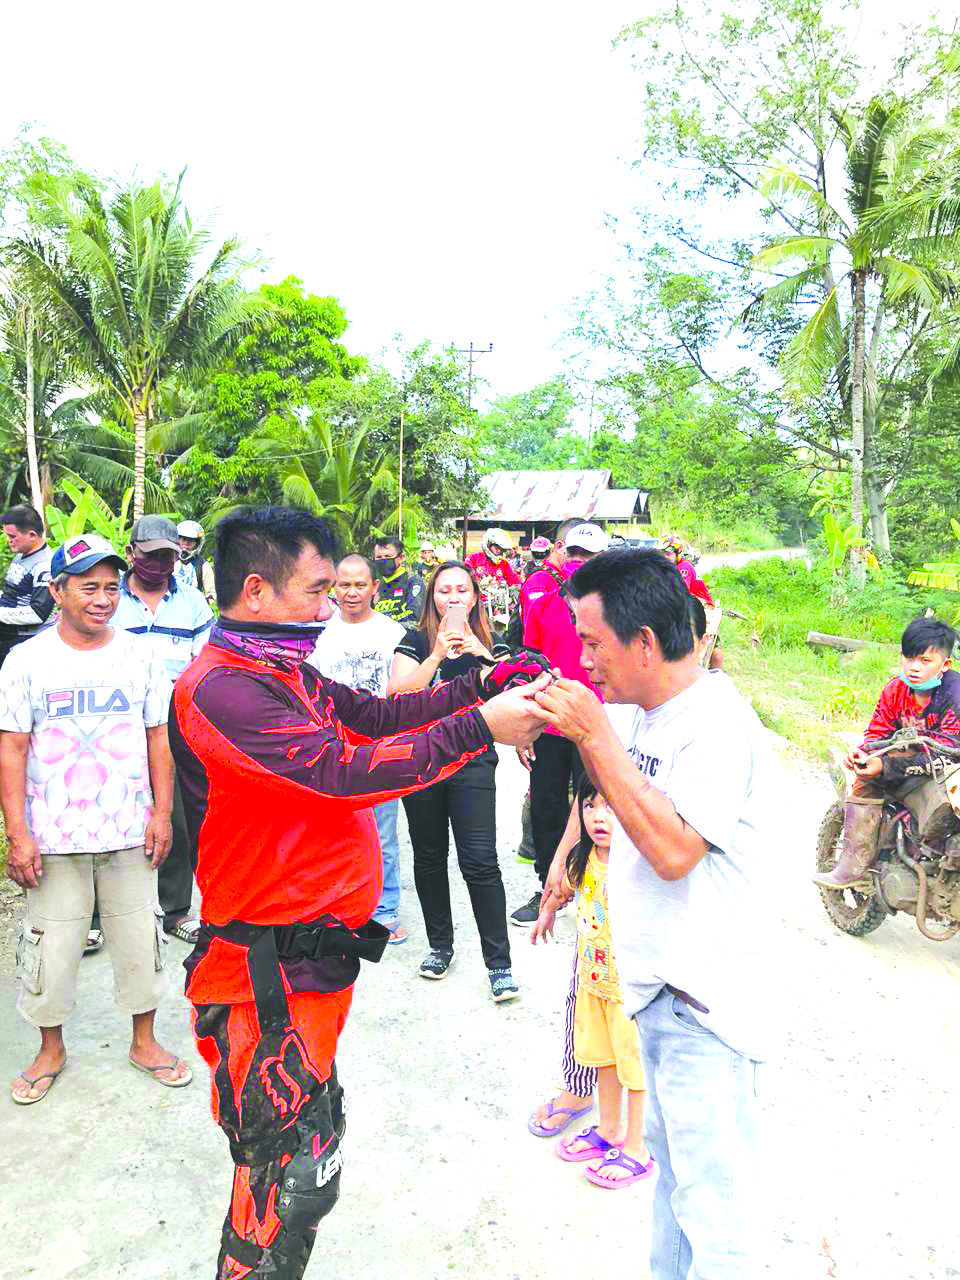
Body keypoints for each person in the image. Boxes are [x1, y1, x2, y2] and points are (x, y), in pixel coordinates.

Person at [170, 507, 549, 1280]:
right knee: (281, 1178)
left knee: (304, 1157)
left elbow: (373, 716)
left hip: (312, 962)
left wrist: (475, 682)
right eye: (314, 590)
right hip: (264, 972)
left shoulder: (281, 669)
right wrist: (481, 727)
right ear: (256, 590)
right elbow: (340, 771)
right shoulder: (222, 691)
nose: (327, 605)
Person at [532, 547, 776, 1279]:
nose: (582, 659)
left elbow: (672, 850)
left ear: (645, 642)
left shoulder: (716, 725)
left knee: (717, 1218)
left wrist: (594, 736)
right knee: (675, 1188)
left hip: (708, 1009)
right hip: (664, 998)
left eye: (592, 642)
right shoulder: (643, 710)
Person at [1, 532, 192, 1105]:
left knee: (139, 937)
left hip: (129, 831)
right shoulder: (26, 660)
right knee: (52, 945)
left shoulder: (140, 654)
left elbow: (158, 737)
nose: (103, 598)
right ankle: (51, 1047)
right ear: (58, 592)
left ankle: (144, 1041)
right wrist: (18, 834)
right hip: (54, 836)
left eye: (111, 587)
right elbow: (12, 747)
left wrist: (162, 814)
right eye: (88, 587)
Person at [388, 560, 518, 998]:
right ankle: (440, 946)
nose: (454, 598)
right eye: (444, 591)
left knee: (480, 861)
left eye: (462, 590)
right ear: (432, 599)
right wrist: (439, 652)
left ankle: (499, 964)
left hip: (473, 762)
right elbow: (399, 695)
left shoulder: (494, 645)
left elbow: (514, 691)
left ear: (476, 597)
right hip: (422, 762)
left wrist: (480, 651)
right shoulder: (413, 640)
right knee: (428, 856)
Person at [112, 514, 214, 942]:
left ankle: (174, 910)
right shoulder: (108, 598)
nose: (158, 565)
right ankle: (106, 918)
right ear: (132, 552)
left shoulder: (192, 602)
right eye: (151, 556)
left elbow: (204, 663)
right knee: (114, 811)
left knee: (177, 815)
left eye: (168, 557)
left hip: (176, 723)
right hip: (116, 721)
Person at [546, 781, 653, 1188]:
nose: (598, 817)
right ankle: (608, 1129)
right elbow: (563, 893)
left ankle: (637, 1148)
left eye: (610, 807)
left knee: (635, 1070)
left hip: (629, 993)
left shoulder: (636, 865)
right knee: (605, 1061)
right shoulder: (584, 858)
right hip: (593, 985)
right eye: (590, 806)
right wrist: (546, 913)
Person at [813, 617, 960, 890]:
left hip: (946, 771)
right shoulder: (895, 690)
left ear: (945, 665)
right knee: (864, 781)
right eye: (909, 657)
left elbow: (947, 753)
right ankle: (853, 865)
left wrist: (886, 764)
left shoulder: (955, 696)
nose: (914, 668)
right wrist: (864, 752)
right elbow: (878, 733)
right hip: (900, 762)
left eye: (926, 661)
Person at [511, 522, 609, 926]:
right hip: (550, 721)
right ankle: (547, 886)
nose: (579, 562)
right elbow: (531, 664)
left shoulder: (615, 606)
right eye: (574, 554)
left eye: (588, 557)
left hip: (596, 722)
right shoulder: (544, 602)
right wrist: (526, 725)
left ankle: (595, 886)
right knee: (547, 806)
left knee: (597, 806)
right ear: (563, 553)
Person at [307, 554, 408, 943]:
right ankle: (332, 907)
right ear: (334, 587)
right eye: (343, 584)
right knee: (329, 832)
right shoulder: (318, 631)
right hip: (330, 748)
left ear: (374, 588)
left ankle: (383, 910)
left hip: (378, 749)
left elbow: (400, 691)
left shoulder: (392, 634)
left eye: (359, 584)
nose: (351, 593)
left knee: (382, 834)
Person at [0, 504, 54, 668]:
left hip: (22, 639)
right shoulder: (22, 554)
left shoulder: (44, 565)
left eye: (12, 536)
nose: (8, 540)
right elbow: (15, 594)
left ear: (32, 535)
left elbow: (38, 613)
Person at [372, 536, 425, 625]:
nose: (383, 560)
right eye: (379, 557)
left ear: (401, 557)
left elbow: (415, 614)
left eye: (387, 556)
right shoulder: (375, 586)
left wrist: (386, 624)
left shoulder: (413, 582)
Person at [658, 535, 714, 606]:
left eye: (668, 554)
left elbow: (681, 590)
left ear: (677, 553)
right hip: (689, 604)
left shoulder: (684, 566)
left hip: (705, 606)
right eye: (662, 554)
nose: (664, 557)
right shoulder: (668, 568)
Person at [175, 519, 217, 603]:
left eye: (190, 541)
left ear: (197, 544)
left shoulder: (203, 566)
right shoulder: (168, 561)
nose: (185, 543)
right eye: (183, 539)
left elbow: (210, 595)